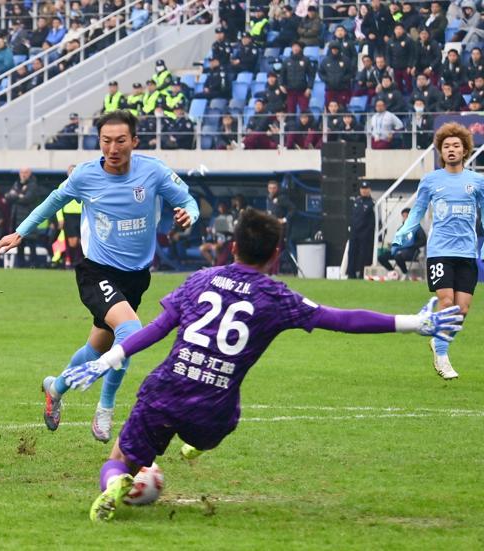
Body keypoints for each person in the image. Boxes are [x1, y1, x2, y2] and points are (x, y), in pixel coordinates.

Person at [60, 208, 463, 522]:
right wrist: (415, 323)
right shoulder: (276, 297)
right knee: (224, 414)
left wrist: (109, 359)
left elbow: (158, 327)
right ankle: (196, 444)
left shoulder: (200, 279)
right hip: (213, 408)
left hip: (164, 389)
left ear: (233, 247)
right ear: (275, 255)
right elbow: (343, 319)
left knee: (119, 458)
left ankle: (115, 484)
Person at [0, 110, 199, 442]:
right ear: (99, 142)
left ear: (134, 141)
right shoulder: (85, 175)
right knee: (130, 332)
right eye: (106, 141)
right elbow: (53, 201)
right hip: (97, 271)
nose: (113, 148)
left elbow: (188, 200)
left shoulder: (154, 171)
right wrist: (20, 232)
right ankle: (105, 408)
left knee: (96, 348)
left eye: (120, 141)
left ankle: (56, 388)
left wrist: (189, 215)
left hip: (136, 277)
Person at [392, 122, 484, 380]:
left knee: (461, 310)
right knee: (446, 302)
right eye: (446, 146)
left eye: (456, 145)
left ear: (465, 150)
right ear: (440, 152)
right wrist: (405, 231)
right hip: (440, 251)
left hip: (467, 252)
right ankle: (442, 356)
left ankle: (437, 341)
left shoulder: (477, 181)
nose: (451, 149)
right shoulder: (431, 180)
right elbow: (419, 210)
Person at [379, 207, 427, 278]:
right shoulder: (400, 229)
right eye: (403, 216)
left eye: (406, 216)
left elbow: (423, 241)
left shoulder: (417, 228)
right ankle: (393, 272)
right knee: (381, 257)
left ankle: (405, 273)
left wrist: (412, 245)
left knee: (398, 256)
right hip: (398, 250)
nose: (405, 218)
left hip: (411, 251)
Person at [347, 182, 375, 279]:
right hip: (354, 232)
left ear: (369, 190)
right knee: (352, 253)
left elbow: (371, 221)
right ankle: (351, 273)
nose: (364, 190)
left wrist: (367, 232)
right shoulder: (356, 201)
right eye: (362, 188)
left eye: (366, 188)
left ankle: (362, 274)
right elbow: (352, 217)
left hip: (364, 233)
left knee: (363, 254)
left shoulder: (371, 203)